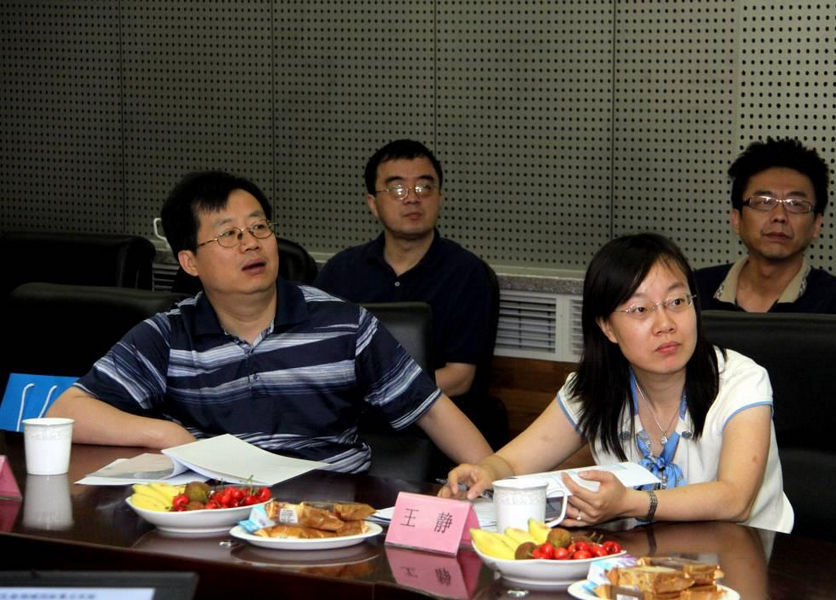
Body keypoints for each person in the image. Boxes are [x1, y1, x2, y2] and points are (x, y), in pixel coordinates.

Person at [46, 170, 492, 474]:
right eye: (228, 234)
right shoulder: (169, 334)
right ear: (189, 261)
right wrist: (166, 433)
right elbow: (67, 412)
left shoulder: (343, 324)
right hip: (219, 511)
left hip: (332, 513)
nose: (251, 244)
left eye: (259, 227)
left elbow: (433, 412)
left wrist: (499, 483)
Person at [440, 233, 794, 534]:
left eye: (676, 302)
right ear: (607, 327)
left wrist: (631, 503)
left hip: (753, 559)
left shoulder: (741, 380)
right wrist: (483, 472)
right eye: (640, 310)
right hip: (647, 564)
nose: (665, 324)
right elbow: (513, 463)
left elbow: (735, 499)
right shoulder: (593, 387)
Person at [314, 140, 505, 448]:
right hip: (351, 426)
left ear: (440, 197)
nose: (413, 198)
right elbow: (318, 359)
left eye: (424, 187)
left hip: (438, 429)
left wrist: (377, 395)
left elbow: (460, 377)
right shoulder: (340, 271)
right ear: (373, 204)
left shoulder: (468, 273)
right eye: (397, 189)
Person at [695, 137, 836, 314]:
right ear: (737, 219)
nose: (779, 216)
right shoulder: (695, 290)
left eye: (795, 204)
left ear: (816, 224)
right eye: (765, 202)